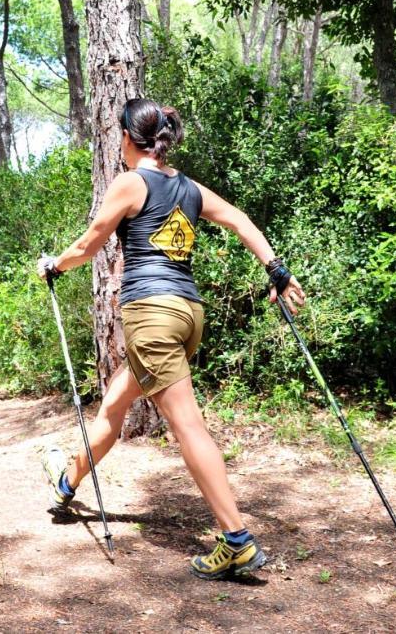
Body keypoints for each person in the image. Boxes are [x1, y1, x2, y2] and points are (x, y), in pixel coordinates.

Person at [36, 97, 306, 580]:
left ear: (126, 138)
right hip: (188, 316)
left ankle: (237, 540)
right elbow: (240, 220)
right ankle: (67, 480)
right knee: (114, 408)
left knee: (187, 427)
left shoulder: (130, 181)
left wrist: (53, 264)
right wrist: (277, 270)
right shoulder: (187, 186)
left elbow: (88, 244)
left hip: (152, 315)